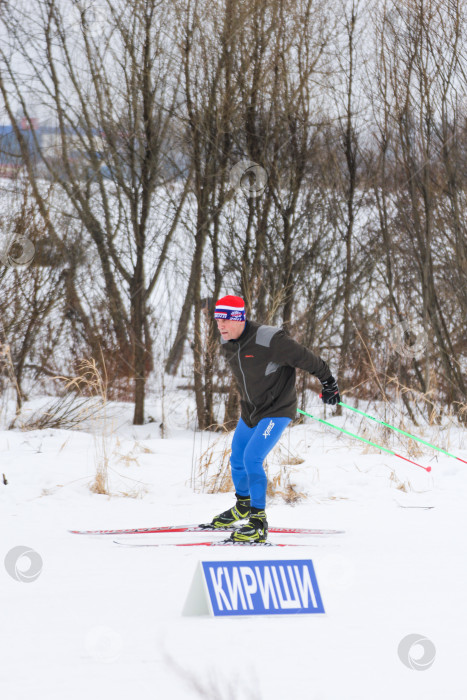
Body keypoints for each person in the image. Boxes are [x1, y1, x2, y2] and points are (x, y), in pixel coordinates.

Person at [205, 294, 340, 543]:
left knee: (251, 458)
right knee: (237, 457)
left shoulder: (269, 339)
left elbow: (306, 358)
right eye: (217, 320)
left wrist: (328, 382)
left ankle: (258, 522)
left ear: (239, 318)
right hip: (251, 410)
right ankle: (243, 506)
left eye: (225, 320)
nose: (220, 326)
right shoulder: (228, 342)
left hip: (276, 410)